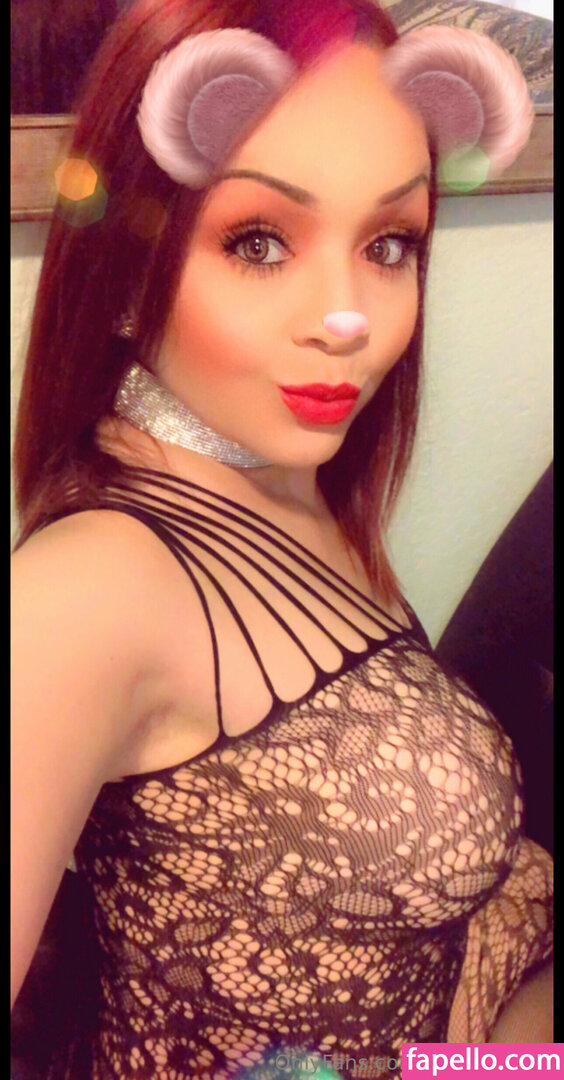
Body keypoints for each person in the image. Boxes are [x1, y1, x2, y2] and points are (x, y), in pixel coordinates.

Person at [11, 0, 553, 1076]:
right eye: (259, 242)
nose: (347, 320)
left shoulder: (285, 481)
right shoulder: (88, 593)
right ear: (124, 262)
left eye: (389, 243)